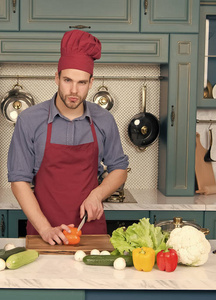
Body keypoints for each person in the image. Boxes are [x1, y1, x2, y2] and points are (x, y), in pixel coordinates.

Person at [7, 30, 129, 245]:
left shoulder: (104, 120)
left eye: (81, 82)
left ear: (91, 82)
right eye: (67, 80)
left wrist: (97, 194)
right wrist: (45, 229)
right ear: (56, 78)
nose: (73, 90)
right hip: (44, 232)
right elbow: (19, 181)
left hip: (90, 230)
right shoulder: (29, 120)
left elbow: (119, 169)